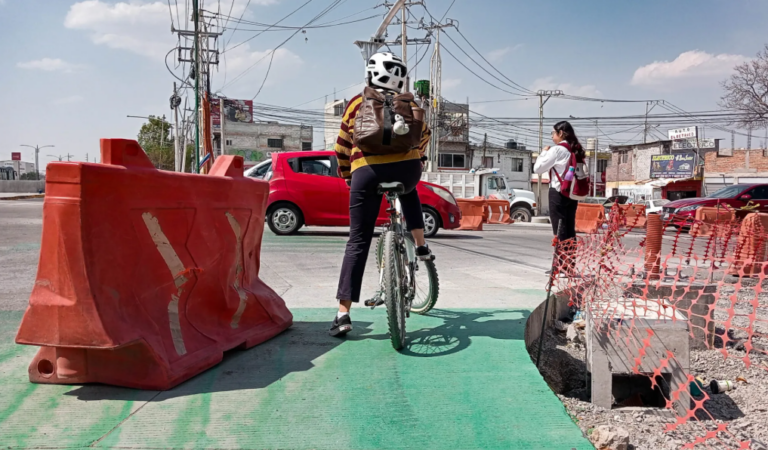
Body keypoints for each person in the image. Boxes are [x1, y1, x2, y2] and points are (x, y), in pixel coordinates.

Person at [330, 52, 432, 337]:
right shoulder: (410, 103)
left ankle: (343, 314)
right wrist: (416, 158)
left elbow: (341, 146)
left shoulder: (357, 103)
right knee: (409, 190)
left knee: (358, 240)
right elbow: (424, 136)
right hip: (407, 170)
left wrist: (349, 176)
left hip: (367, 172)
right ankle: (421, 246)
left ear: (370, 75)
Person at [533, 121, 585, 273]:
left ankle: (560, 267)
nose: (552, 136)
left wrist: (543, 152)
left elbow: (538, 168)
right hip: (572, 193)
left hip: (558, 192)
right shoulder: (575, 149)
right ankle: (569, 266)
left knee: (559, 230)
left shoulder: (557, 150)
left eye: (553, 133)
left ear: (561, 133)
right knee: (569, 229)